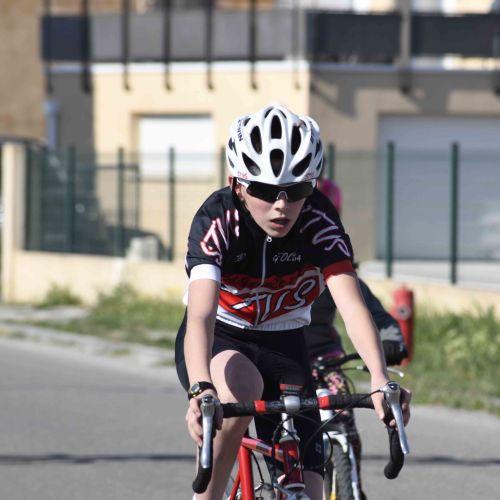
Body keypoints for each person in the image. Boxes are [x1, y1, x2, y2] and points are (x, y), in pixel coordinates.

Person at [175, 104, 411, 500]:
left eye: (297, 191)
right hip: (223, 337)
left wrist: (378, 377)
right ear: (238, 184)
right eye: (266, 192)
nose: (282, 206)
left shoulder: (319, 219)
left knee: (308, 486)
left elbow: (352, 305)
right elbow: (200, 316)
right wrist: (201, 389)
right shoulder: (218, 219)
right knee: (240, 393)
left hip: (285, 342)